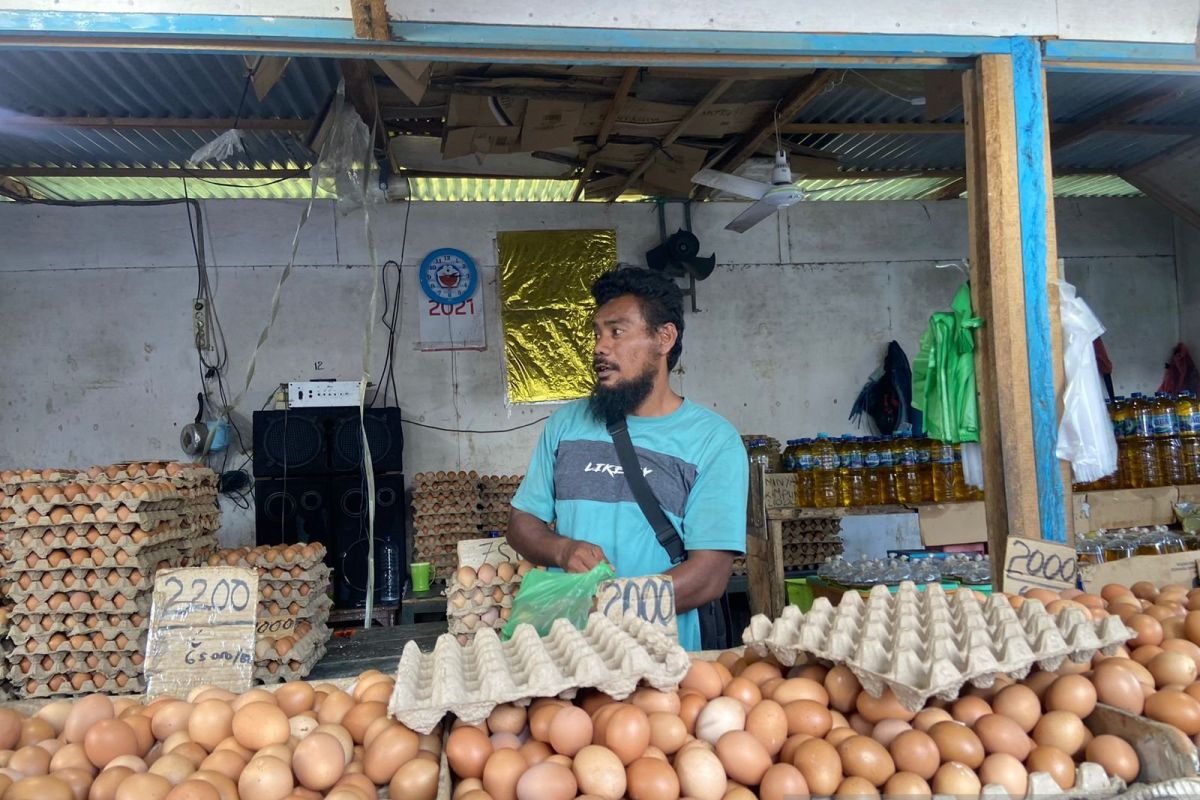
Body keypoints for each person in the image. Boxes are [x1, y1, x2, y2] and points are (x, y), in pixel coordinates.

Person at [507, 267, 748, 651]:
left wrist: (605, 607)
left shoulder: (713, 441)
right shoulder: (567, 424)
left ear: (664, 338)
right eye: (598, 334)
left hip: (663, 654)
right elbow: (522, 522)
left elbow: (708, 578)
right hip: (569, 651)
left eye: (617, 332)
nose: (600, 347)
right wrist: (562, 549)